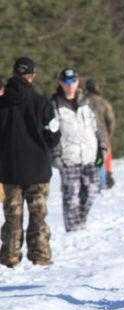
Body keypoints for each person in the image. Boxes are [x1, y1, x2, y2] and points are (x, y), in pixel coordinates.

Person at [0, 57, 61, 267]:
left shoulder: (2, 103)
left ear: (14, 74)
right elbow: (54, 134)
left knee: (12, 217)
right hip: (38, 170)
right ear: (32, 75)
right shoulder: (42, 102)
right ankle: (40, 256)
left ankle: (10, 257)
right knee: (38, 216)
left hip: (9, 171)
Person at [51, 68, 107, 232]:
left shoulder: (87, 102)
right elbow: (51, 131)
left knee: (92, 190)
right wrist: (56, 155)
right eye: (66, 82)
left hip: (89, 156)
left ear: (77, 82)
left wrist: (102, 146)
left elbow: (97, 127)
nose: (70, 86)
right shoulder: (54, 104)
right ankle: (74, 230)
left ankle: (80, 221)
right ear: (61, 83)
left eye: (73, 82)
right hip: (68, 157)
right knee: (72, 196)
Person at [85, 79, 116, 189]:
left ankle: (92, 183)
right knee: (101, 160)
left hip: (86, 137)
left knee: (90, 161)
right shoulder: (103, 103)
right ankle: (102, 184)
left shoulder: (82, 102)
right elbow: (111, 121)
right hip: (102, 136)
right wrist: (109, 135)